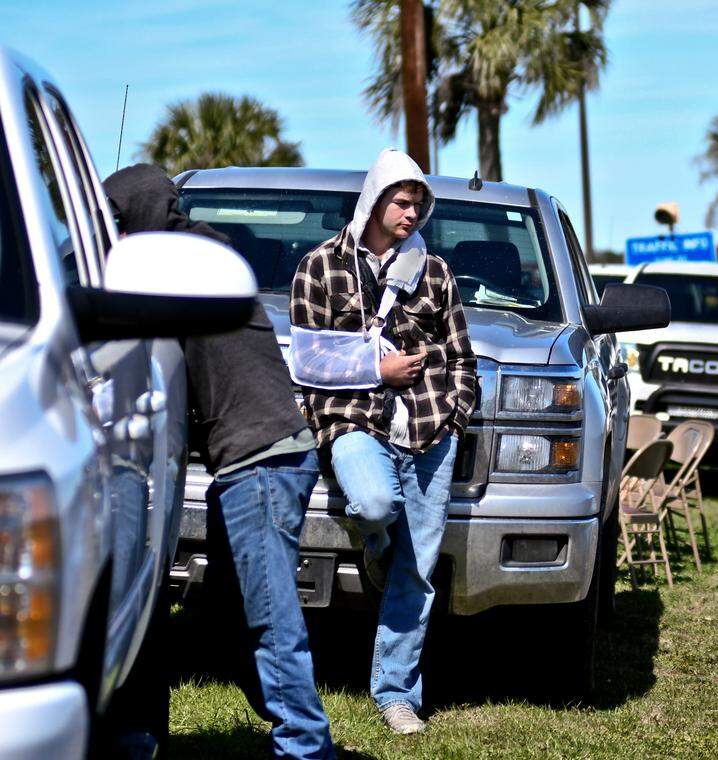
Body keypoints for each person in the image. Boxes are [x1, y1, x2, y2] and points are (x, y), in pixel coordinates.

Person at [104, 164, 336, 760]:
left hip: (261, 462)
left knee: (269, 616)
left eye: (117, 223)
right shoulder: (201, 255)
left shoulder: (178, 265)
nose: (113, 240)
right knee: (230, 617)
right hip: (248, 465)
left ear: (141, 216)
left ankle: (306, 748)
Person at [290, 148, 477, 735]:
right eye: (402, 200)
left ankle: (396, 693)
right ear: (373, 201)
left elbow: (463, 355)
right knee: (374, 506)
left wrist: (455, 414)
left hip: (427, 430)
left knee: (418, 570)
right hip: (352, 421)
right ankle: (375, 548)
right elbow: (308, 360)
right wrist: (380, 369)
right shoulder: (320, 267)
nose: (412, 211)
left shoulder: (435, 272)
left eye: (419, 201)